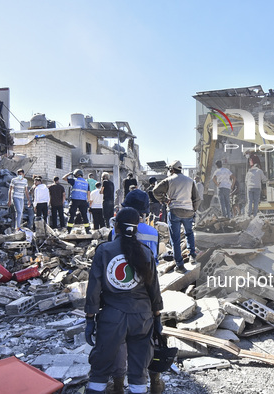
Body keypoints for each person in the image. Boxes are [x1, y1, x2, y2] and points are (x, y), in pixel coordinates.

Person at [84, 207, 163, 394]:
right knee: (138, 371)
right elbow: (154, 289)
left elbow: (93, 287)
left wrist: (89, 319)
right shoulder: (145, 252)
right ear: (136, 228)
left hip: (112, 317)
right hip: (142, 318)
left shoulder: (104, 251)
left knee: (100, 370)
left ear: (116, 227)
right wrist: (157, 317)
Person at [153, 160, 201, 274]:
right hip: (188, 211)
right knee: (189, 233)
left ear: (172, 169)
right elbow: (197, 198)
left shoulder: (169, 180)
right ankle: (192, 255)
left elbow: (155, 191)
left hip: (174, 210)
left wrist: (165, 200)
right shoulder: (190, 181)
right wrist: (193, 209)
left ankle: (180, 265)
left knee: (175, 238)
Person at [63, 169, 91, 234]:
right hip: (83, 201)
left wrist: (69, 174)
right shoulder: (86, 182)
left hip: (75, 200)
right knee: (84, 216)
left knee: (72, 215)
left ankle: (68, 230)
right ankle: (87, 230)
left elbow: (64, 178)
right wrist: (88, 201)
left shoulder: (74, 180)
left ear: (75, 175)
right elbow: (88, 193)